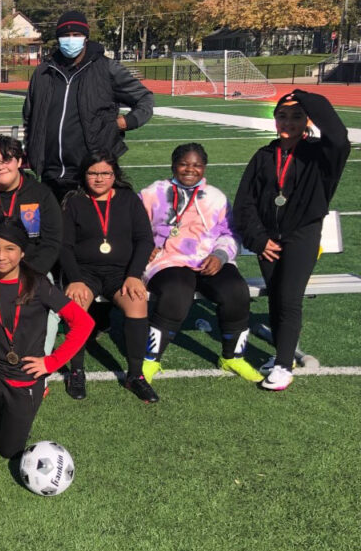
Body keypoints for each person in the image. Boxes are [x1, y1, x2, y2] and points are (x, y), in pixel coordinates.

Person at [0, 220, 93, 493]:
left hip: (25, 375)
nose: (1, 256)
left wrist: (51, 363)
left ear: (22, 252)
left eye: (9, 249)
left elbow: (82, 323)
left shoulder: (39, 283)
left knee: (9, 450)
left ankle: (9, 410)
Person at [232, 90, 350, 391]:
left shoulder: (321, 155)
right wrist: (259, 239)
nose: (289, 122)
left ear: (307, 120)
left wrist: (307, 98)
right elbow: (244, 203)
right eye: (282, 116)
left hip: (303, 236)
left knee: (289, 297)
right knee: (276, 296)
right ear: (274, 121)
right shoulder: (264, 156)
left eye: (297, 116)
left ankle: (284, 366)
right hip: (268, 240)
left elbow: (338, 136)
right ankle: (281, 356)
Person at [140, 143, 260, 386]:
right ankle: (151, 358)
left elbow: (230, 233)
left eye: (196, 165)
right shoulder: (152, 193)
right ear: (173, 165)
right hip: (166, 261)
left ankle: (232, 357)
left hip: (207, 259)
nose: (189, 169)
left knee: (236, 290)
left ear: (204, 167)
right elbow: (133, 226)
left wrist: (220, 256)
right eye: (184, 164)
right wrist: (143, 247)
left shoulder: (216, 198)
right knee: (177, 290)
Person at [22, 11, 154, 202]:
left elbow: (145, 99)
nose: (71, 40)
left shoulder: (106, 68)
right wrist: (33, 151)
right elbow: (29, 116)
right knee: (53, 231)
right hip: (50, 175)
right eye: (65, 35)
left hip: (91, 175)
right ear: (58, 38)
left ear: (86, 37)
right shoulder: (43, 72)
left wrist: (124, 123)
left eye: (76, 35)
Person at [59, 153, 156, 402]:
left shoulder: (128, 200)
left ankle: (135, 376)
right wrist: (75, 279)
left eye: (105, 173)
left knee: (137, 301)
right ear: (84, 174)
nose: (99, 178)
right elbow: (64, 245)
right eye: (93, 173)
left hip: (120, 273)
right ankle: (77, 371)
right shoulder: (74, 202)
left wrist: (134, 275)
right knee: (77, 304)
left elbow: (145, 239)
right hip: (84, 272)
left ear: (115, 175)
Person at [0, 136, 61, 295]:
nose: (0, 167)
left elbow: (51, 242)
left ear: (19, 162)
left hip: (31, 271)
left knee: (47, 313)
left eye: (6, 160)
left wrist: (26, 275)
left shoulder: (42, 194)